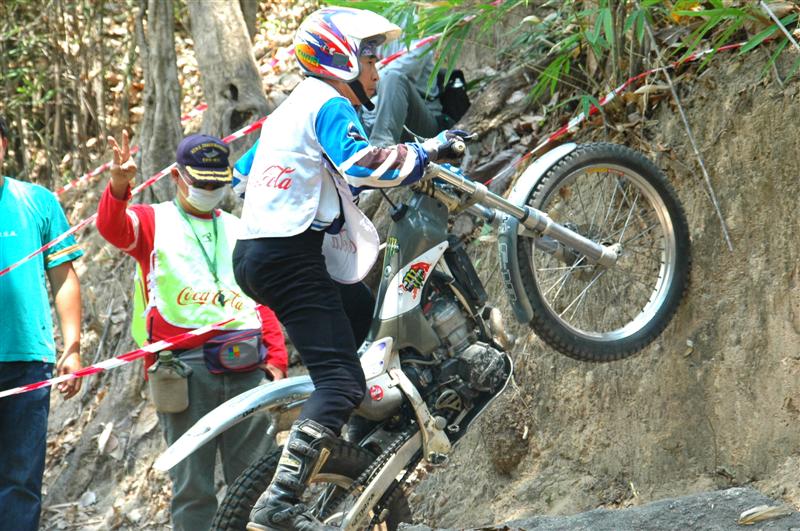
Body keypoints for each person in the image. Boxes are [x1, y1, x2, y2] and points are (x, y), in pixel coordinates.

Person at [230, 7, 465, 530]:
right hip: (288, 257)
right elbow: (361, 164)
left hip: (265, 252)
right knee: (340, 381)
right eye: (369, 59)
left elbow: (242, 177)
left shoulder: (291, 109)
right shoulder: (329, 102)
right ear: (340, 58)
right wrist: (428, 150)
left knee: (367, 328)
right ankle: (279, 502)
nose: (377, 70)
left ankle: (362, 447)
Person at [96, 131, 289, 531]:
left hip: (247, 368)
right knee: (192, 490)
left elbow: (261, 298)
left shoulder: (238, 228)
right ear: (176, 176)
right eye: (201, 183)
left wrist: (276, 358)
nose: (208, 192)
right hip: (183, 373)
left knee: (258, 482)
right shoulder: (152, 221)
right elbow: (113, 228)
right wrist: (118, 187)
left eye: (216, 185)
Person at [0, 114, 84, 531]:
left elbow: (63, 277)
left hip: (27, 359)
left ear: (3, 144)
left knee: (20, 479)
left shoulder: (37, 201)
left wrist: (73, 347)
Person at [360, 37, 450, 147]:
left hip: (423, 122)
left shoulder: (417, 37)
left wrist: (364, 77)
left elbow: (377, 79)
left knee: (392, 78)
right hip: (376, 120)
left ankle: (382, 145)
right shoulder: (369, 41)